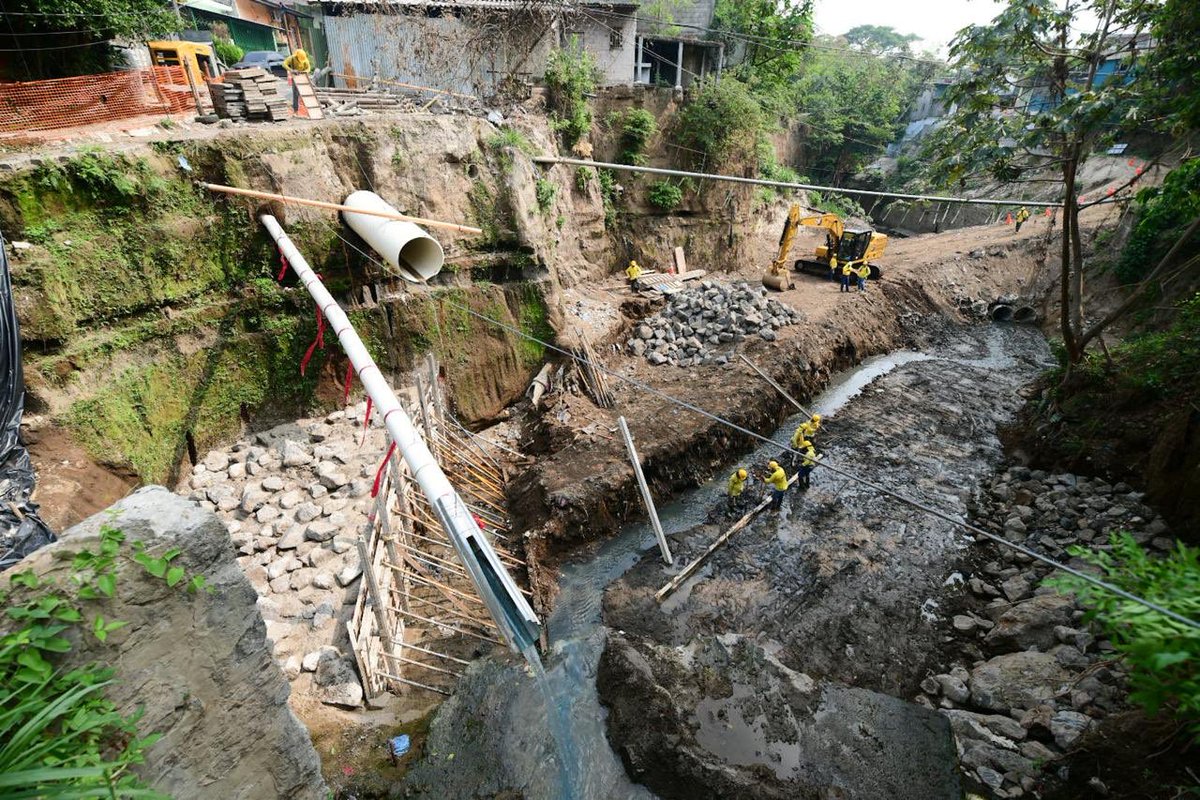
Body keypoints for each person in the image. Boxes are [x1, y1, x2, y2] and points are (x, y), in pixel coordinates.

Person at [282, 49, 312, 114]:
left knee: (306, 93)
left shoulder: (305, 60)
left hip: (303, 77)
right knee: (295, 94)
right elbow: (284, 64)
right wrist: (291, 70)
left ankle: (309, 109)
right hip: (295, 77)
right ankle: (296, 110)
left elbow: (308, 68)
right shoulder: (292, 58)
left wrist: (303, 72)